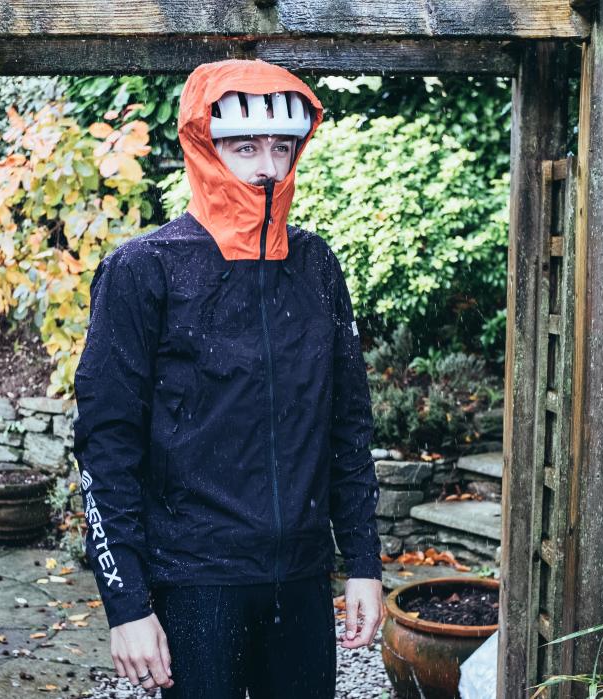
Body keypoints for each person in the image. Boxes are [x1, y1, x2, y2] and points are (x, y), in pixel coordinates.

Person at [74, 59, 383, 698]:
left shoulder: (318, 266)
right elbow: (105, 446)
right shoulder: (143, 270)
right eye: (245, 147)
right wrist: (127, 605)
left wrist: (363, 563)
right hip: (195, 586)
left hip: (299, 581)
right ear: (204, 147)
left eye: (281, 146)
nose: (266, 166)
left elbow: (348, 427)